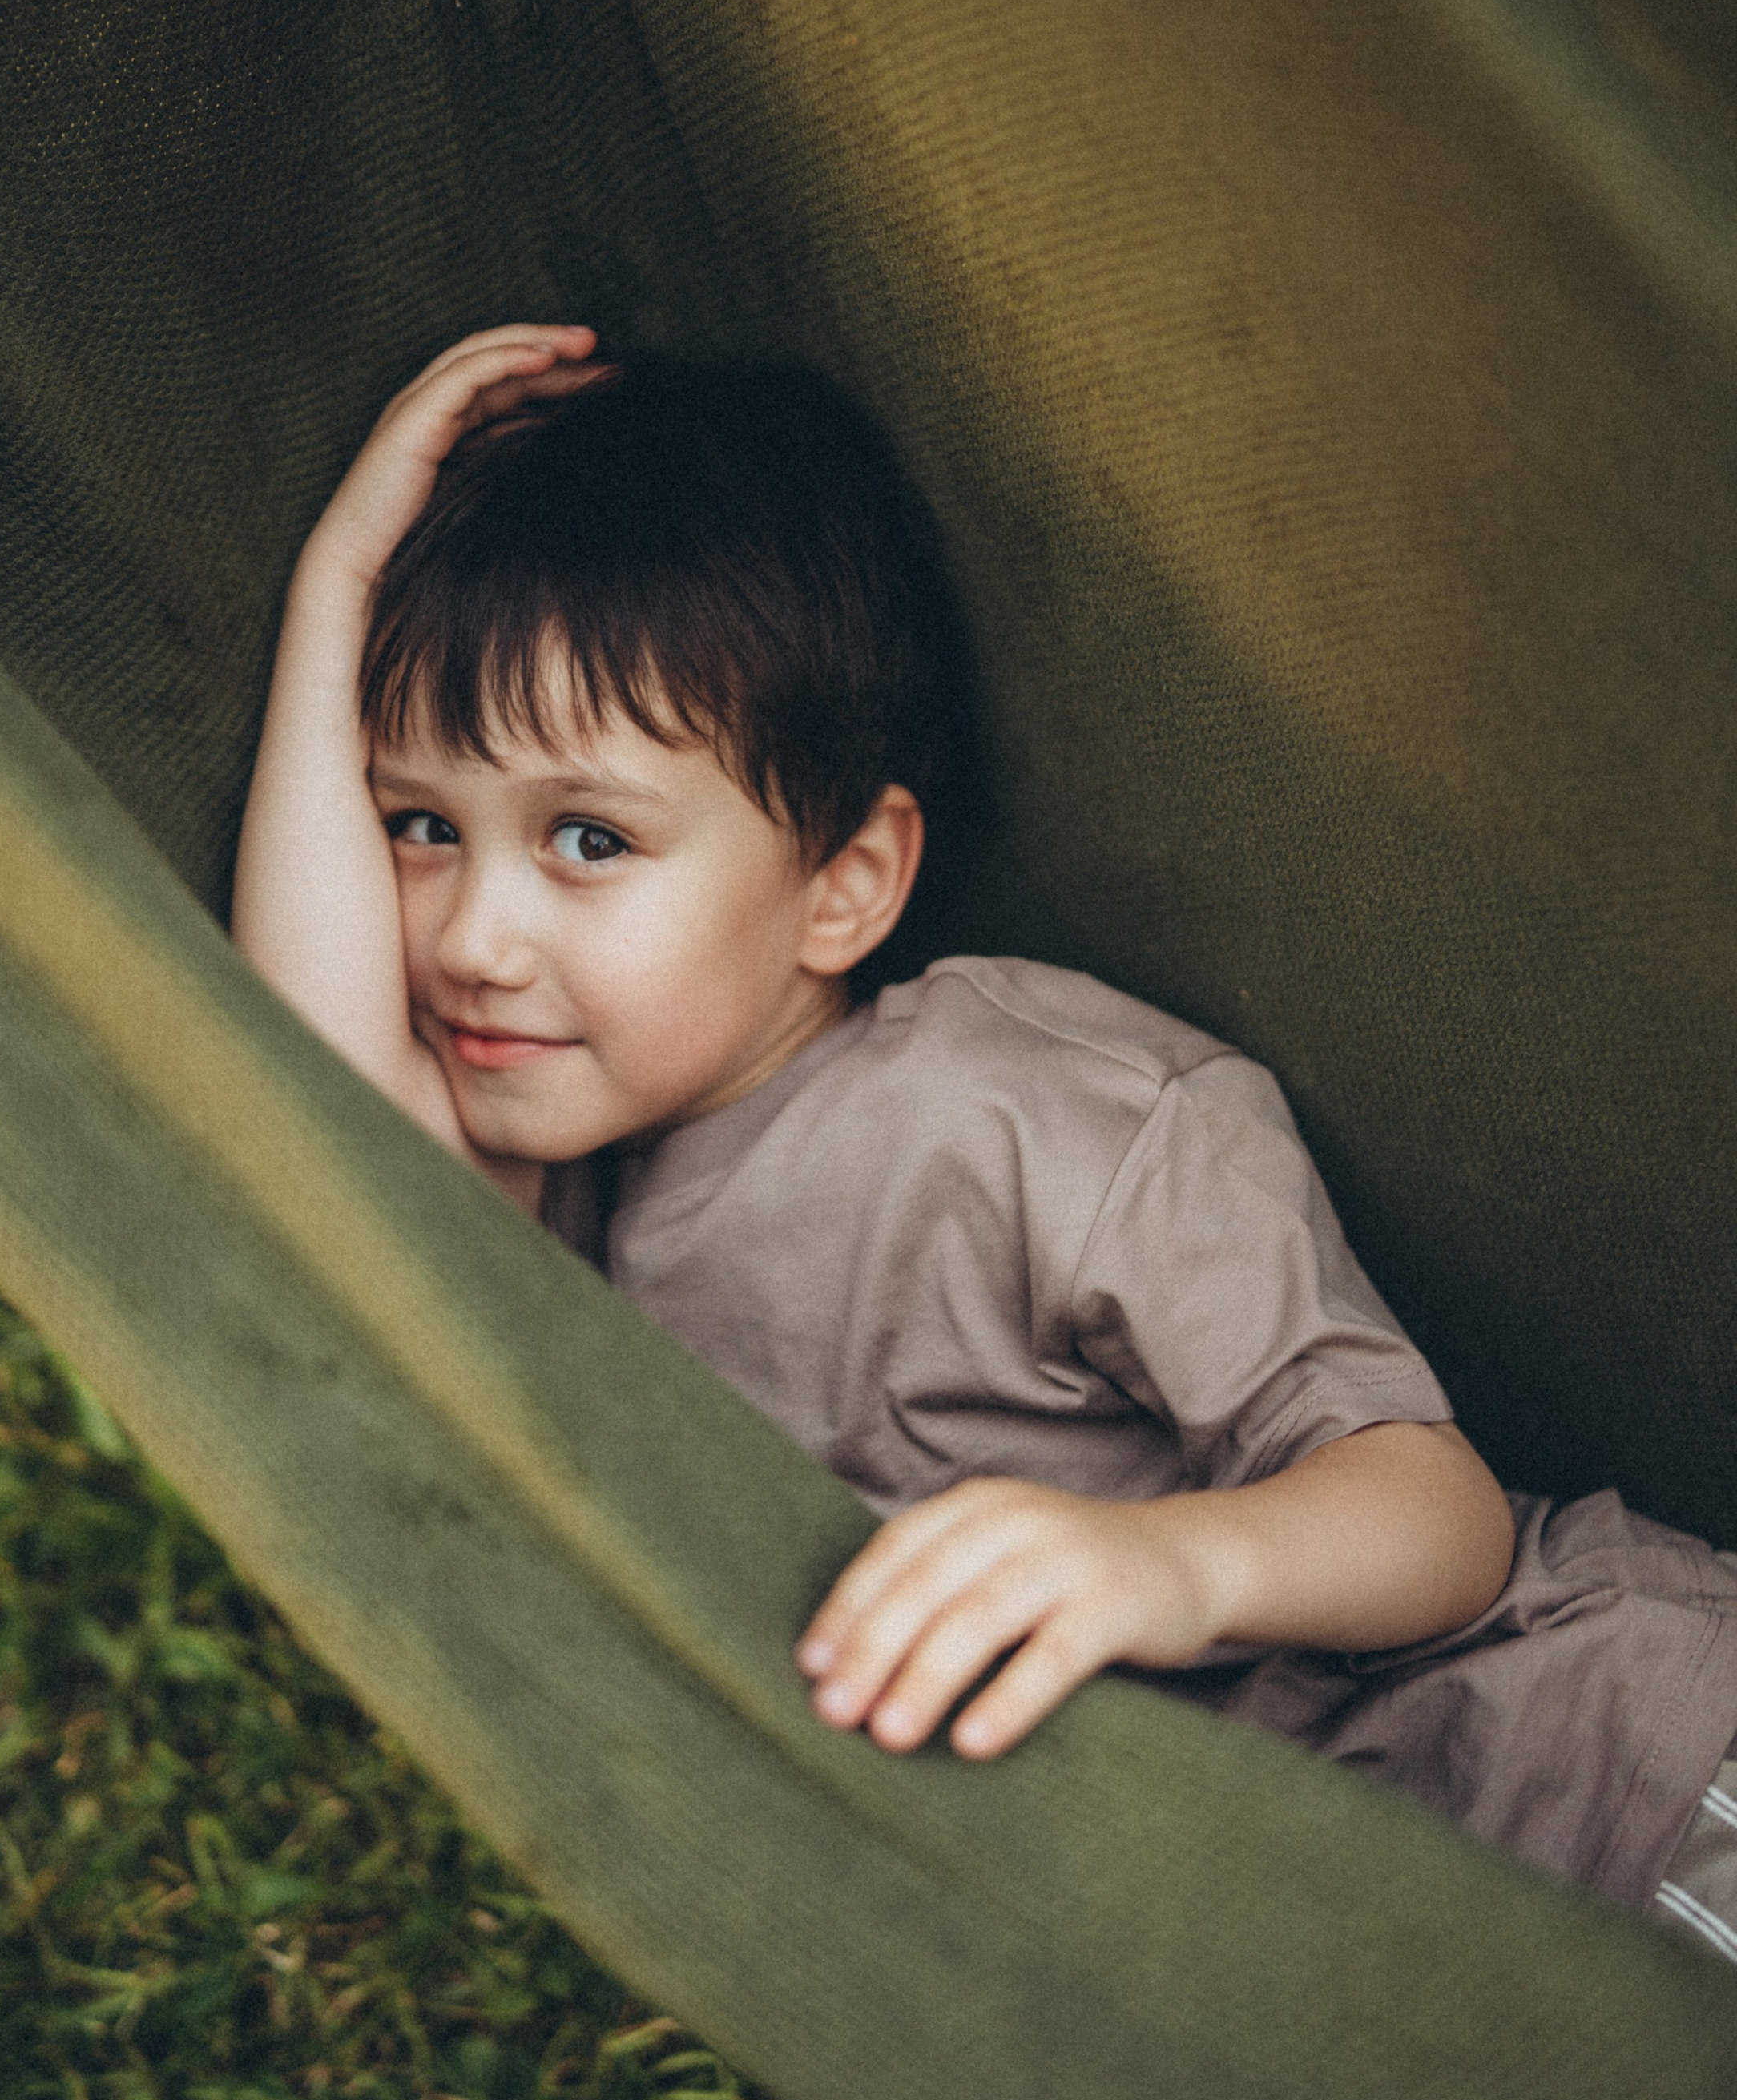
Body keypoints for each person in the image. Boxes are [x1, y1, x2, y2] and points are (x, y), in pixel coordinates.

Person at [233, 323, 1737, 1953]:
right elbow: (310, 1111)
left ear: (846, 884)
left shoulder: (1021, 1109)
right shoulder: (554, 1183)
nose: (470, 939)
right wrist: (338, 587)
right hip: (1381, 1947)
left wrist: (1152, 1569)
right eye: (417, 829)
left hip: (1610, 1765)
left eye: (586, 839)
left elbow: (1432, 1516)